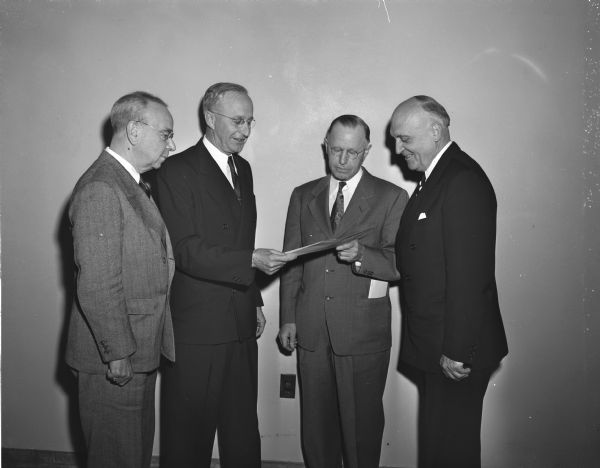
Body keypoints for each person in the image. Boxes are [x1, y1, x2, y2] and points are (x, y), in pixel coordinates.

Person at [155, 82, 294, 468]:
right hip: (196, 329)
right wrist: (250, 261)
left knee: (241, 431)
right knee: (188, 439)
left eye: (250, 121)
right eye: (237, 120)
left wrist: (254, 300)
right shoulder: (174, 170)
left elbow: (239, 238)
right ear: (209, 118)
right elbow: (185, 250)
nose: (245, 130)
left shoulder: (242, 169)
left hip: (239, 323)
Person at [279, 115, 409, 468]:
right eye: (336, 150)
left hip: (362, 333)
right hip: (311, 330)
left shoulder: (392, 196)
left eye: (353, 152)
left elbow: (401, 263)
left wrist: (363, 256)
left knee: (360, 429)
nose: (342, 160)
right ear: (325, 145)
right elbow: (291, 260)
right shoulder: (303, 195)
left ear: (367, 151)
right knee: (316, 430)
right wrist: (288, 318)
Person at [391, 95, 508, 468]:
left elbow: (470, 274)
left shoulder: (461, 179)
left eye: (405, 139)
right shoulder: (435, 179)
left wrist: (456, 348)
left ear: (436, 130)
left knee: (451, 450)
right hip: (439, 343)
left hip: (455, 351)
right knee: (441, 446)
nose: (398, 149)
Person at [65, 91, 177, 468]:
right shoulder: (102, 187)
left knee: (131, 454)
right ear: (133, 130)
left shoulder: (127, 182)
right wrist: (117, 354)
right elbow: (97, 283)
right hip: (115, 358)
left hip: (133, 351)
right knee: (117, 457)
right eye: (165, 134)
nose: (171, 144)